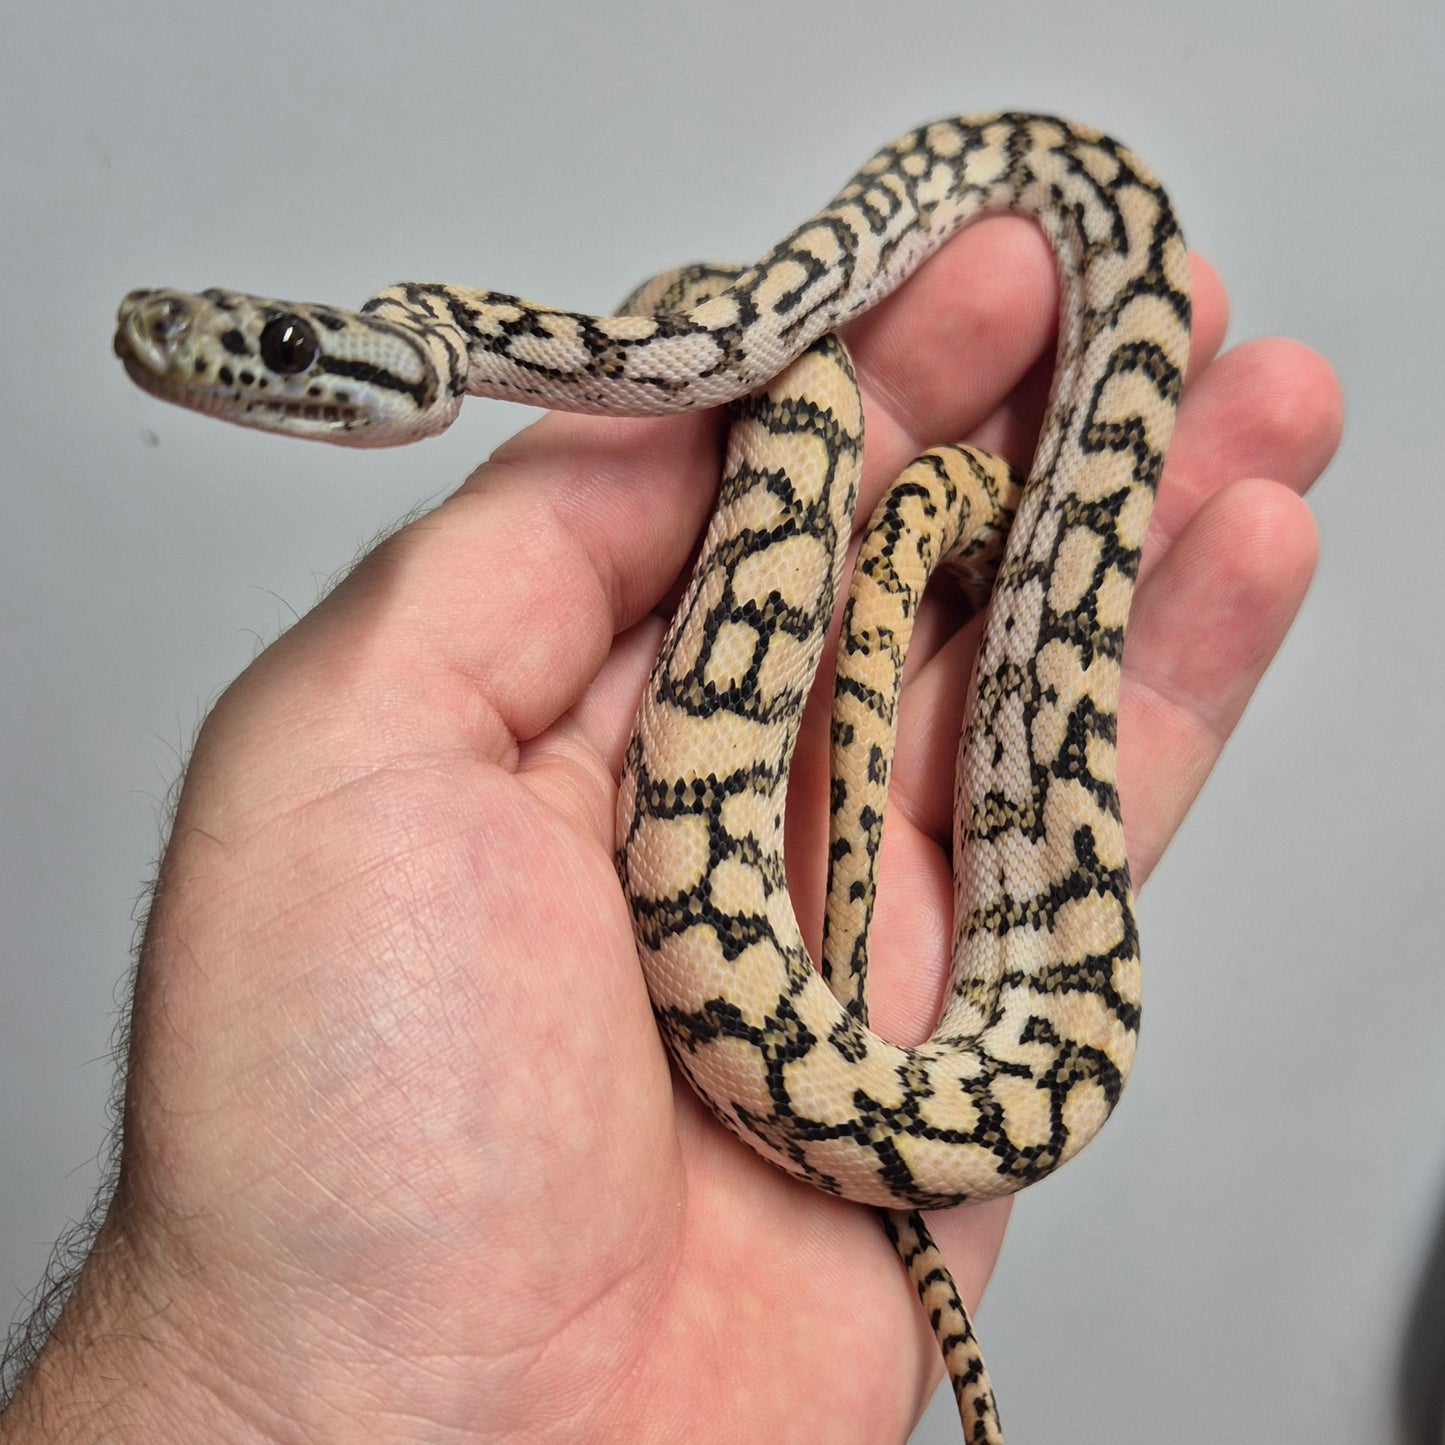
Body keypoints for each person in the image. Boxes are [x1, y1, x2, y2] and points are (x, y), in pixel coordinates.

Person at [0, 218, 1338, 1443]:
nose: (261, 364)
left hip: (965, 1044)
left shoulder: (708, 356)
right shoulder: (704, 368)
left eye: (288, 346)